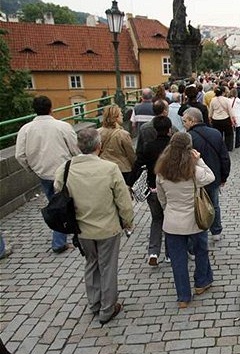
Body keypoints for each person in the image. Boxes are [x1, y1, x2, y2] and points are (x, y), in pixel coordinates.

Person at [54, 128, 133, 325]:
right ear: (99, 146)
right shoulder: (109, 168)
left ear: (78, 146)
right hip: (107, 226)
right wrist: (127, 220)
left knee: (91, 264)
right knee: (108, 266)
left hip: (81, 228)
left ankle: (94, 303)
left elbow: (59, 191)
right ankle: (107, 308)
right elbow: (123, 200)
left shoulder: (65, 168)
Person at [155, 132, 215, 308]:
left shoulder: (162, 171)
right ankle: (201, 282)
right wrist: (199, 161)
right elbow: (210, 177)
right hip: (195, 220)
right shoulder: (193, 171)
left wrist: (169, 211)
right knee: (201, 251)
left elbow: (162, 198)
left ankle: (183, 296)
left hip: (172, 222)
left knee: (178, 261)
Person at [15, 95, 81, 254]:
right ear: (51, 108)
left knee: (55, 202)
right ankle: (62, 239)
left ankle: (64, 234)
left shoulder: (26, 129)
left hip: (43, 173)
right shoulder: (63, 126)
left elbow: (19, 155)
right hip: (64, 171)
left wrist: (32, 168)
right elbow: (76, 150)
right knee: (66, 203)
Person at [183, 107, 230, 243]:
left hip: (195, 178)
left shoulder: (188, 137)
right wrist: (224, 176)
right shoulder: (215, 133)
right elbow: (224, 157)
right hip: (213, 176)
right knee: (214, 204)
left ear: (192, 121)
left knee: (196, 204)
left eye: (185, 121)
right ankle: (216, 231)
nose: (184, 124)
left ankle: (199, 229)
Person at [131, 115, 173, 266]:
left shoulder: (148, 146)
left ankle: (153, 251)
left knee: (156, 220)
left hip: (153, 188)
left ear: (154, 129)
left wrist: (133, 181)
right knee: (169, 220)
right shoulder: (172, 146)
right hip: (170, 189)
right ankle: (170, 254)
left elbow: (138, 163)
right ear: (169, 129)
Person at [98, 105, 136, 186]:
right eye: (121, 115)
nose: (122, 116)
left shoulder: (98, 133)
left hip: (104, 168)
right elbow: (131, 154)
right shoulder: (123, 134)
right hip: (122, 169)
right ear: (116, 118)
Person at [207, 86, 235, 151]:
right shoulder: (226, 100)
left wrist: (210, 118)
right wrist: (232, 119)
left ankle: (218, 146)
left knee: (218, 134)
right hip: (225, 118)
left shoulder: (213, 100)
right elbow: (230, 111)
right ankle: (228, 147)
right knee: (228, 134)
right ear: (223, 92)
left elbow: (211, 111)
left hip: (216, 119)